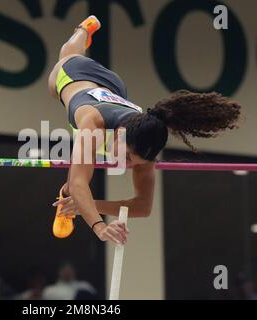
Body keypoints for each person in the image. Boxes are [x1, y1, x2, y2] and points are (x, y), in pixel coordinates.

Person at [49, 16, 242, 244]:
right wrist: (99, 226)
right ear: (121, 134)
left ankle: (71, 203)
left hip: (114, 86)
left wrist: (90, 207)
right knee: (63, 63)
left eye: (134, 162)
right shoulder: (93, 123)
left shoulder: (146, 144)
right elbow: (80, 183)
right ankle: (84, 30)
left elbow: (143, 207)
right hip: (76, 73)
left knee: (78, 194)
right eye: (128, 156)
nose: (128, 165)